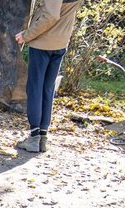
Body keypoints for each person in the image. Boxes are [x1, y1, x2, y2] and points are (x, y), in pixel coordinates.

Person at [15, 0, 84, 153]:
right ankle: (42, 138)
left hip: (43, 44)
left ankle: (34, 138)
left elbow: (51, 15)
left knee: (35, 89)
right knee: (48, 89)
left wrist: (26, 35)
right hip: (61, 42)